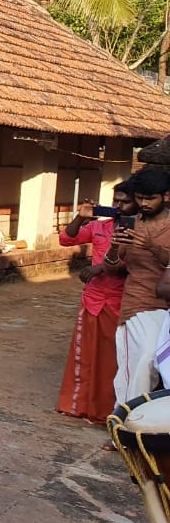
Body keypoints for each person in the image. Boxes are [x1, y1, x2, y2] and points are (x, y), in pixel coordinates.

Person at [56, 183, 137, 422]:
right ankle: (77, 405)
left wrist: (101, 267)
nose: (118, 206)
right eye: (116, 201)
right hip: (93, 300)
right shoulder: (100, 226)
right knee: (85, 356)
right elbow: (65, 239)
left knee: (113, 359)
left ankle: (105, 411)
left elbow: (136, 264)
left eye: (125, 202)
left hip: (121, 301)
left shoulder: (141, 232)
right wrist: (80, 218)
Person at [107, 167, 170, 403]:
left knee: (158, 365)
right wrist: (114, 246)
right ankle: (124, 424)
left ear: (166, 196)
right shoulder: (131, 224)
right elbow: (112, 268)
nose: (143, 203)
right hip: (139, 303)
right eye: (140, 197)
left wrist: (151, 245)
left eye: (150, 198)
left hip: (167, 304)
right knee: (142, 360)